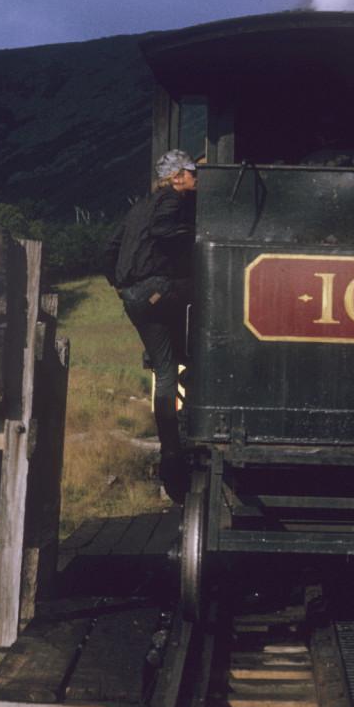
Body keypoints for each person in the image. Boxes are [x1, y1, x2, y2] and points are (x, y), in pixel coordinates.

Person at [105, 149, 198, 502]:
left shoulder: (138, 206)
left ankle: (170, 446)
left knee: (164, 366)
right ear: (177, 177)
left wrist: (120, 286)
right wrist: (194, 237)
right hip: (158, 290)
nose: (196, 178)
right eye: (192, 173)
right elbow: (163, 230)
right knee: (207, 295)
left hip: (133, 297)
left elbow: (108, 249)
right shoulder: (171, 201)